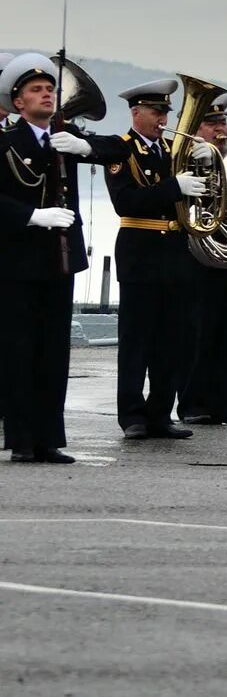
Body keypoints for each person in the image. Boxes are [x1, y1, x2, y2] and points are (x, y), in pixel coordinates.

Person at [0, 54, 98, 463]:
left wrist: (86, 145)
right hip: (18, 260)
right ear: (18, 103)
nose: (46, 95)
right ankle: (22, 439)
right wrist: (31, 216)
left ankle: (48, 438)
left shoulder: (65, 137)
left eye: (50, 89)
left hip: (59, 259)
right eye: (36, 91)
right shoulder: (6, 143)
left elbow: (116, 152)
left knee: (55, 351)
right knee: (20, 350)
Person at [105, 78, 207, 441]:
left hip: (176, 252)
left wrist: (207, 172)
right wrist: (173, 186)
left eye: (166, 111)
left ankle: (160, 412)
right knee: (137, 340)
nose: (163, 118)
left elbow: (200, 201)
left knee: (172, 339)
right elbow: (126, 202)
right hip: (140, 250)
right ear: (136, 113)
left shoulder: (175, 150)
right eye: (156, 111)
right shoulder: (122, 150)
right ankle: (132, 415)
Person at [180, 91, 227, 426]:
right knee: (201, 329)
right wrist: (219, 179)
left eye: (223, 121)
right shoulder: (186, 160)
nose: (220, 129)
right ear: (196, 129)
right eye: (211, 124)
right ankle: (193, 402)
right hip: (198, 256)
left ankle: (225, 401)